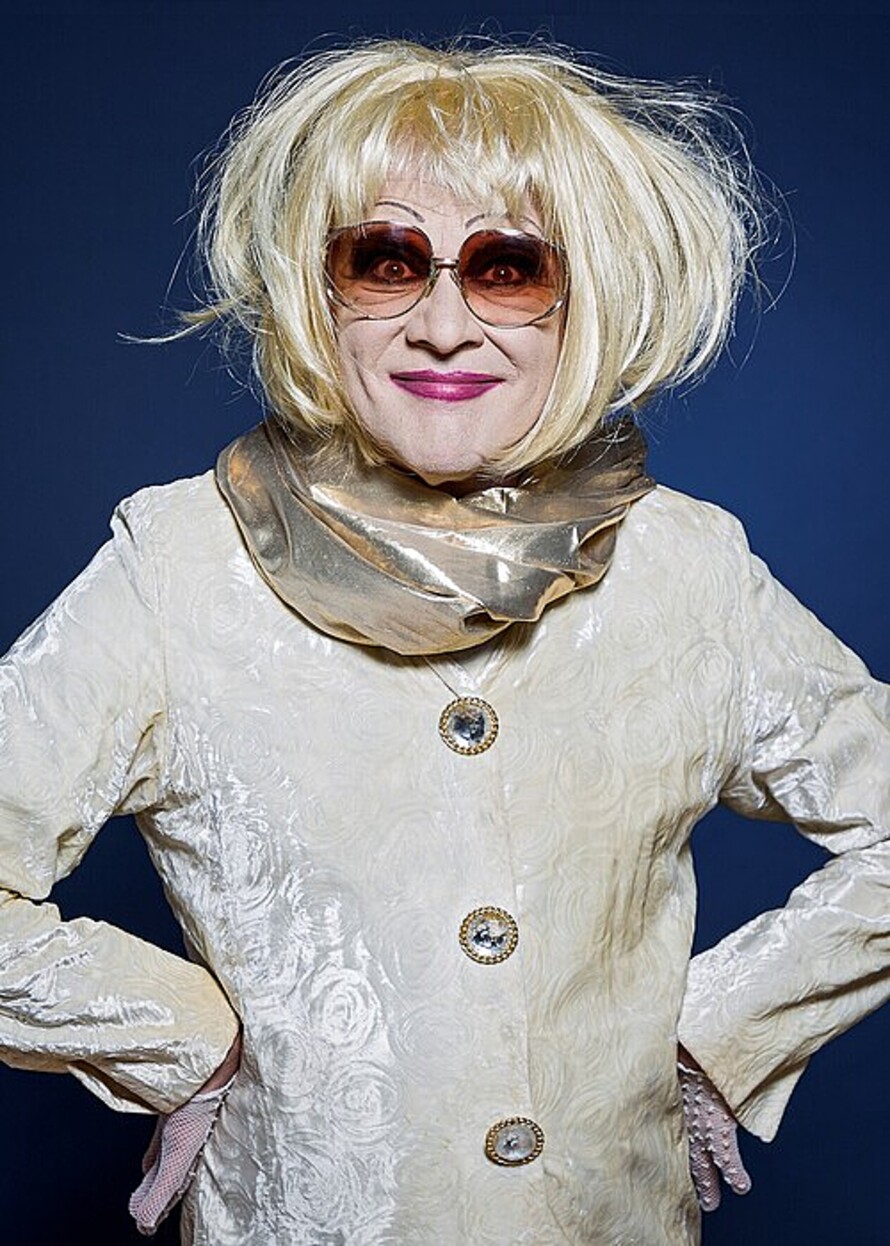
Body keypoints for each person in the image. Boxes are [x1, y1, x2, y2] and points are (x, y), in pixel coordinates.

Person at [1, 37, 888, 1246]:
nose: (441, 325)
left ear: (585, 297)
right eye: (384, 261)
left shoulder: (688, 568)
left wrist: (721, 1034)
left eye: (507, 269)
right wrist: (182, 1043)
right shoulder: (175, 567)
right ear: (317, 293)